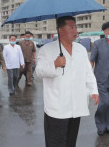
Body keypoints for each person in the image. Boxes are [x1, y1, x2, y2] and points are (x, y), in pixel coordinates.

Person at [36, 16, 99, 147]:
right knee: (56, 143)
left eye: (75, 27)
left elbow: (88, 72)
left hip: (76, 105)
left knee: (71, 142)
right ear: (60, 30)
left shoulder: (80, 49)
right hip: (57, 108)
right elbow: (39, 72)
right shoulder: (47, 50)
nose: (75, 30)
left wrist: (94, 90)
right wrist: (54, 64)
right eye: (71, 27)